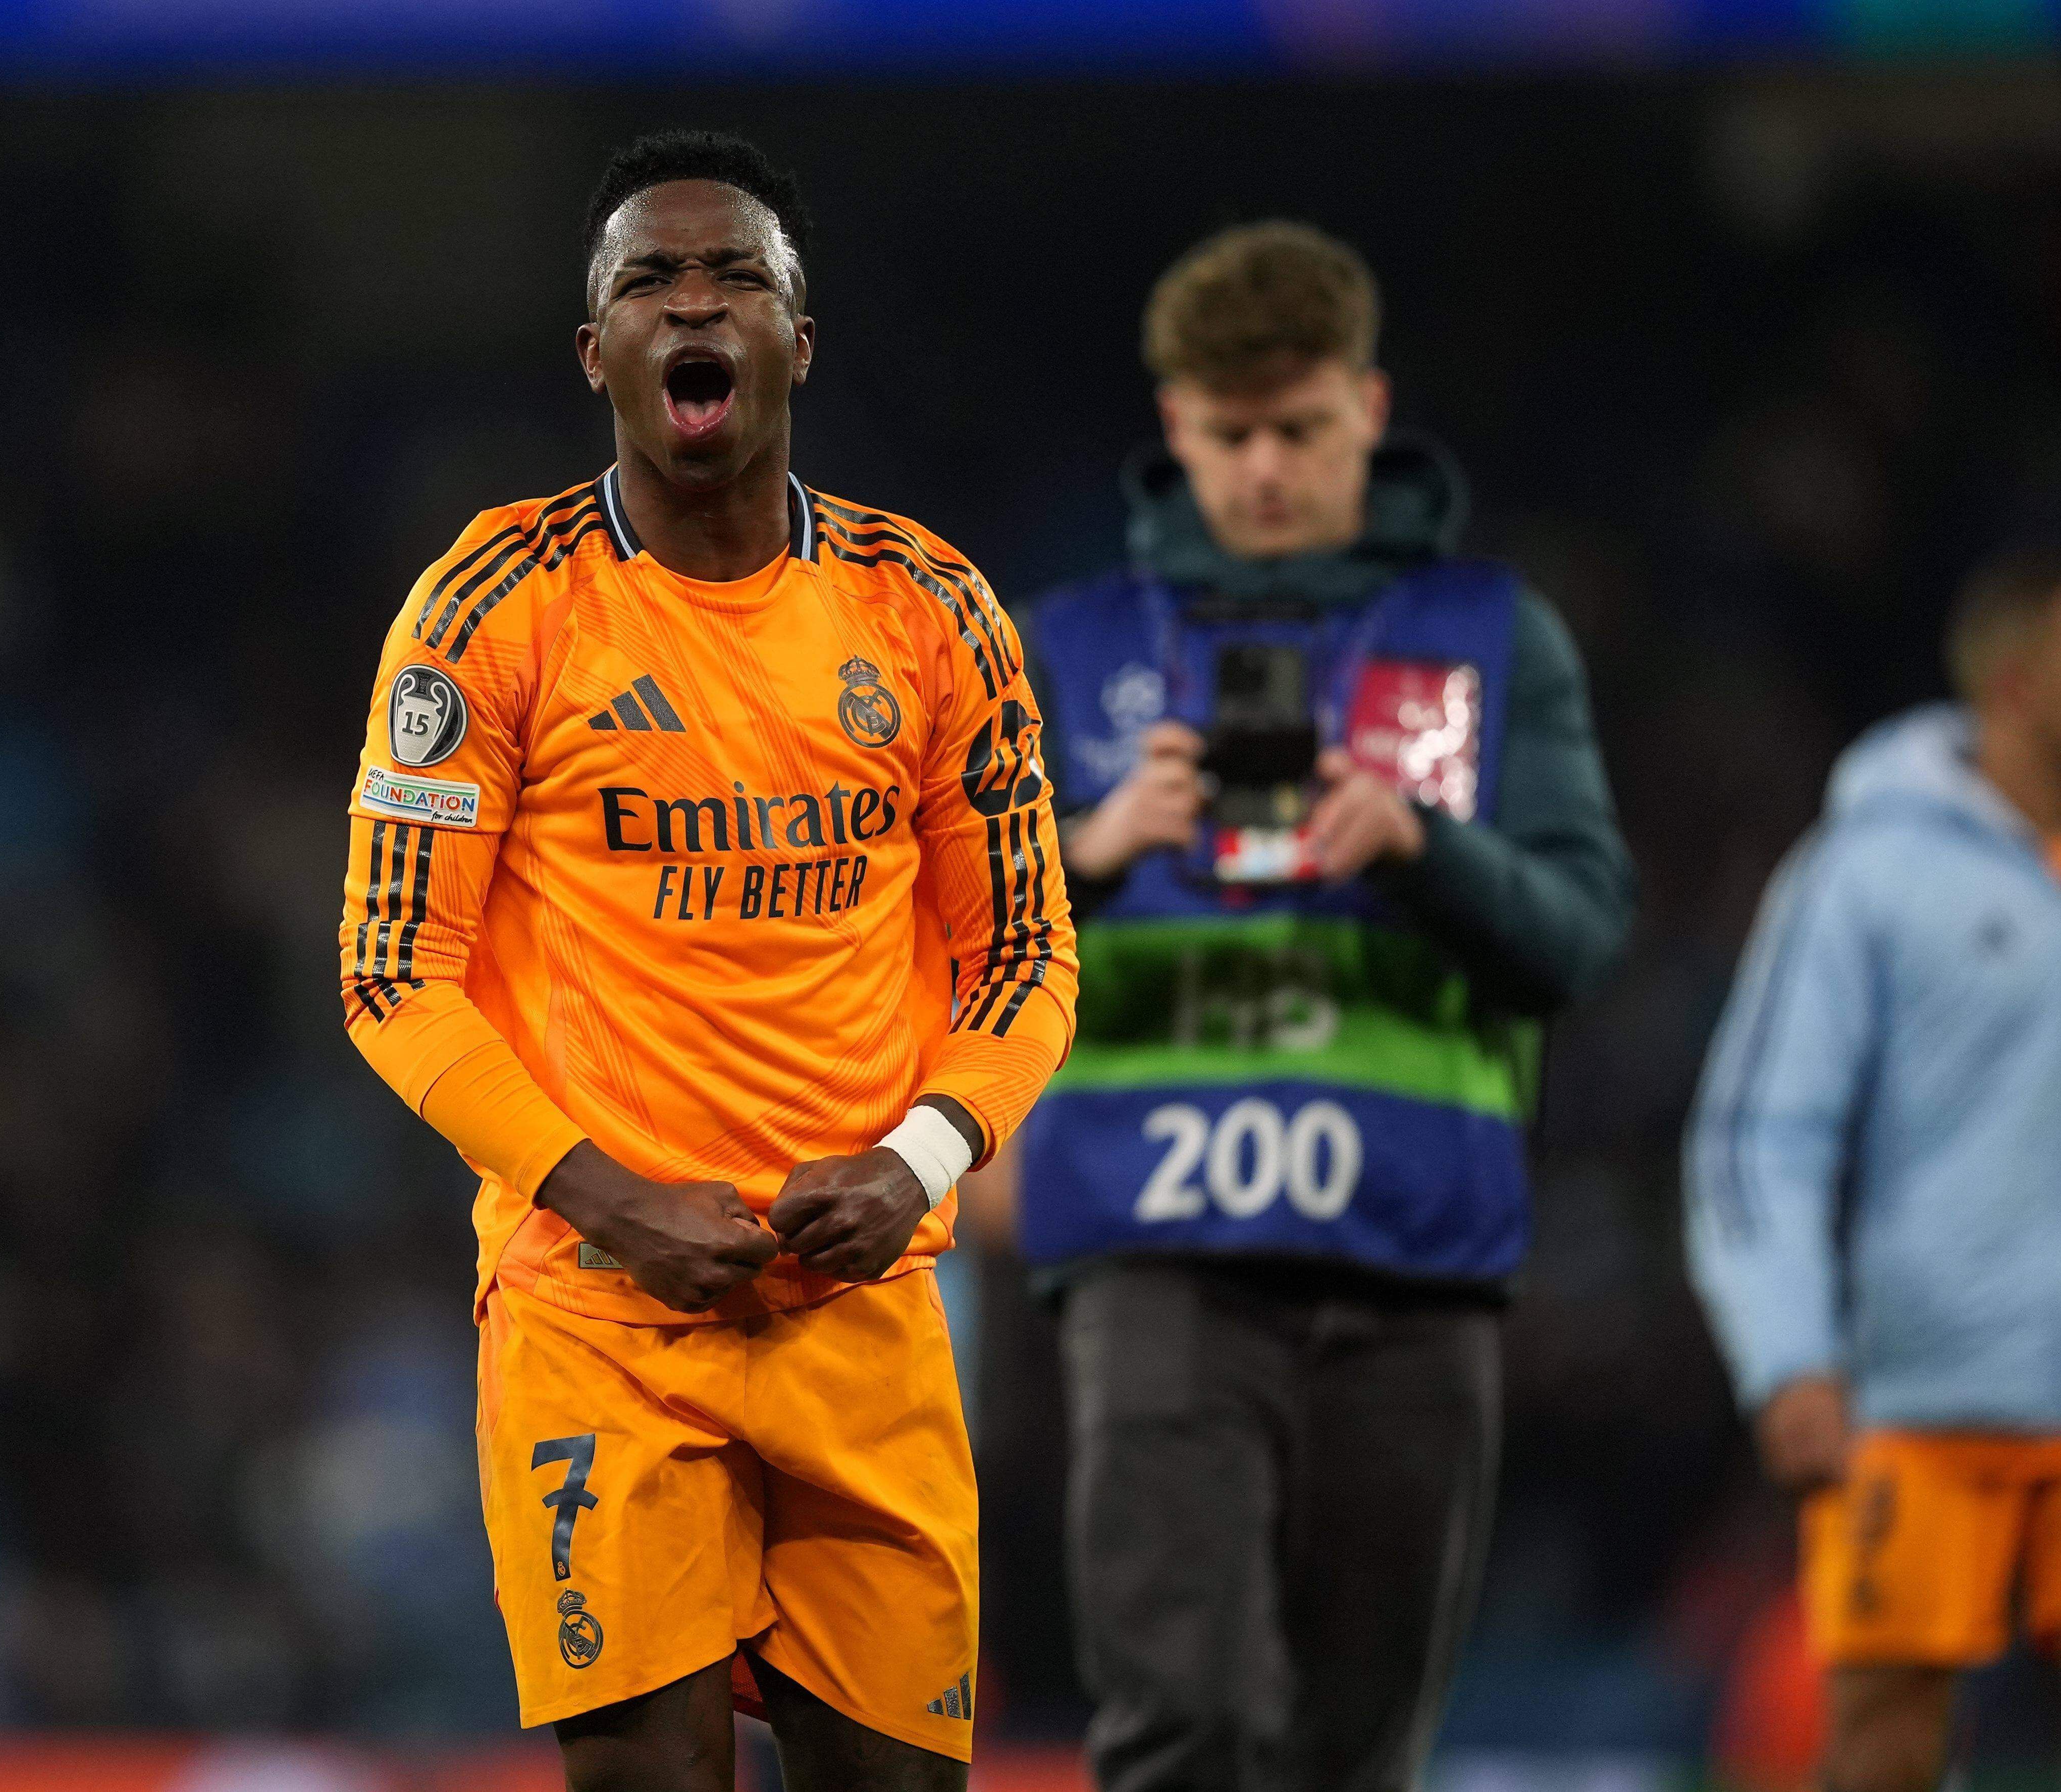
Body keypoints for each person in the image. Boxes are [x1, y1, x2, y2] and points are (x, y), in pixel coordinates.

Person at [335, 131, 1077, 1791]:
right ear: (594, 350)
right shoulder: (490, 612)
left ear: (797, 343)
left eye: (734, 276)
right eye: (646, 282)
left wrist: (917, 1158)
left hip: (863, 1313)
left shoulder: (932, 612)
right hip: (599, 1321)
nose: (693, 303)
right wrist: (607, 1199)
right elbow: (392, 971)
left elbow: (1025, 958)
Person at [1016, 222, 1633, 1792]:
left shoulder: (1491, 641)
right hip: (1154, 1259)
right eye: (1230, 435)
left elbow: (1576, 938)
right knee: (1189, 1728)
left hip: (1412, 1269)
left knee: (1356, 1759)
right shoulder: (1064, 653)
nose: (1267, 470)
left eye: (1299, 428)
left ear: (1370, 403)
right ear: (1174, 426)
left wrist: (1425, 849)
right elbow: (908, 947)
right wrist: (1084, 859)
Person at [1687, 549, 2061, 1792]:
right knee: (1886, 1744)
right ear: (2015, 679)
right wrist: (1788, 1353)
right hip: (1923, 1387)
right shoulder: (1871, 871)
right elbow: (1762, 1136)